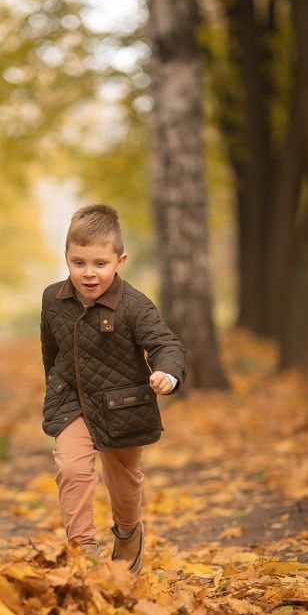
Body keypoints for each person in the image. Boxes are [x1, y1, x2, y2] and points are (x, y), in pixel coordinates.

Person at [40, 204, 186, 573]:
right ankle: (83, 552)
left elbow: (167, 344)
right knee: (71, 470)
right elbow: (51, 350)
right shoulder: (52, 301)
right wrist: (56, 390)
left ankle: (127, 532)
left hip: (123, 407)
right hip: (72, 402)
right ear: (67, 258)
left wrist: (167, 373)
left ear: (120, 261)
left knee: (124, 483)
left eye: (100, 264)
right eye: (79, 263)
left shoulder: (134, 306)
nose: (88, 273)